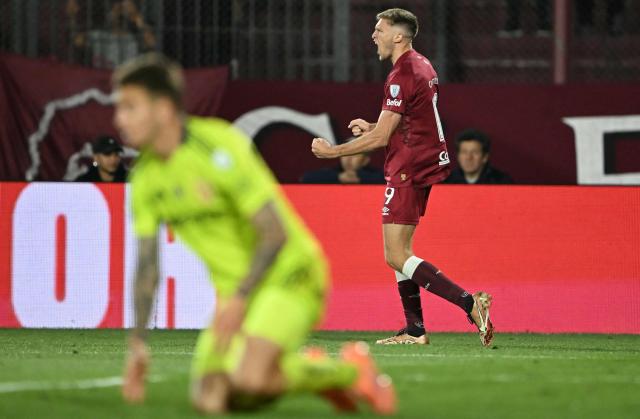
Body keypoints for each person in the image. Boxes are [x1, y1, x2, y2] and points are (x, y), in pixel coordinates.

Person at [114, 53, 396, 415]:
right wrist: (138, 343)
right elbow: (147, 267)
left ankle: (347, 372)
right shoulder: (145, 178)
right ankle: (312, 370)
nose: (118, 119)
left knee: (250, 381)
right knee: (211, 399)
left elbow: (274, 235)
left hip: (290, 275)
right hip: (238, 293)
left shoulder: (218, 146)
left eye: (129, 107)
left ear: (164, 108)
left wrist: (238, 300)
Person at [311, 9, 494, 347]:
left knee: (395, 255)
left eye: (379, 29)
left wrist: (333, 151)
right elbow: (409, 120)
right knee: (401, 252)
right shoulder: (421, 65)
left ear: (398, 35)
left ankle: (470, 304)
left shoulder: (402, 73)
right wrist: (374, 126)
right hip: (419, 161)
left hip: (408, 167)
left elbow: (382, 138)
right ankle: (414, 329)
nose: (373, 36)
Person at [444, 129, 513, 185]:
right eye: (464, 152)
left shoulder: (501, 182)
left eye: (475, 152)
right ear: (458, 156)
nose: (468, 157)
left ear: (485, 157)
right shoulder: (447, 182)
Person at [301, 141, 385, 184]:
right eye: (345, 154)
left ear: (366, 160)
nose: (348, 159)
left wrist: (360, 177)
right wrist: (339, 177)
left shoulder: (377, 175)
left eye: (354, 154)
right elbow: (306, 178)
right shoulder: (333, 172)